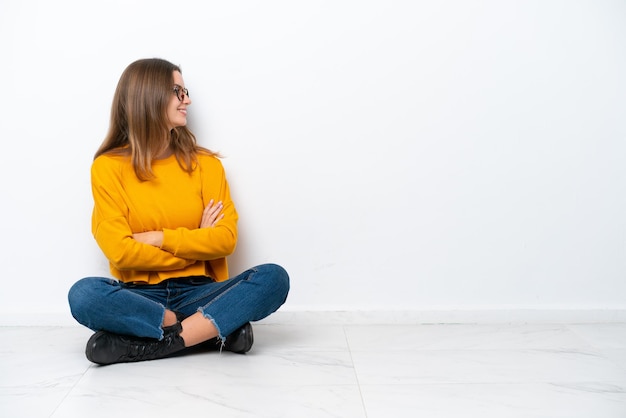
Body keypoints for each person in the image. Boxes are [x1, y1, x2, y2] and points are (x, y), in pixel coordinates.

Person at [68, 58, 290, 365]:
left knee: (274, 278)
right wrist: (197, 242)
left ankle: (157, 342)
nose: (187, 100)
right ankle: (208, 329)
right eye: (178, 91)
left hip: (199, 291)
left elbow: (225, 240)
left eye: (185, 91)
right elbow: (119, 251)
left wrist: (158, 238)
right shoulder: (108, 167)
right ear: (149, 96)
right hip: (140, 296)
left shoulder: (207, 165)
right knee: (83, 294)